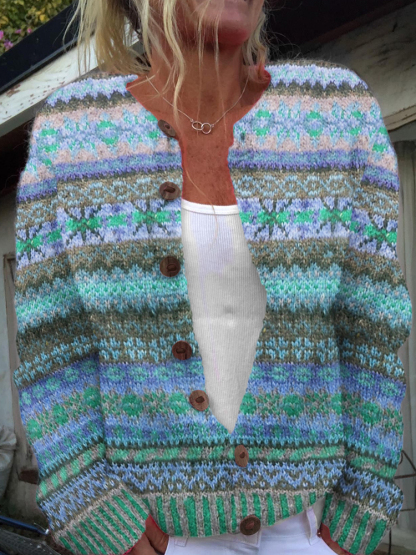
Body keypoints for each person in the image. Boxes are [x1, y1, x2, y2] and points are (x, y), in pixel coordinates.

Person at [12, 0, 412, 555]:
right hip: (148, 533)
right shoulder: (72, 135)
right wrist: (93, 510)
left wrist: (357, 514)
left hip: (306, 530)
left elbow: (372, 328)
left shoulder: (337, 113)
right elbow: (53, 346)